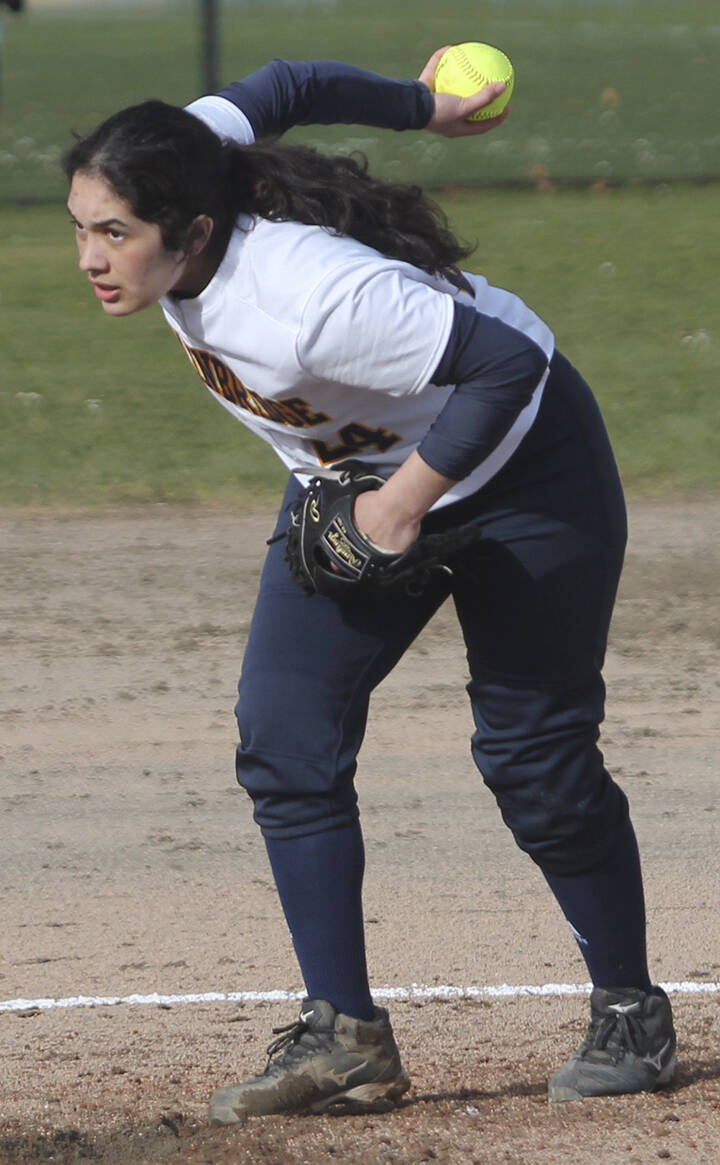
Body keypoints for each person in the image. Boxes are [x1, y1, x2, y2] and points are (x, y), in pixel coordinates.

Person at [63, 51, 676, 1122]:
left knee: (532, 753)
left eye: (115, 232)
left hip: (531, 469)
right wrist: (425, 109)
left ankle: (630, 1008)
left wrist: (398, 508)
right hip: (362, 480)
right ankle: (345, 1039)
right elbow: (288, 85)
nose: (90, 256)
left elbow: (504, 369)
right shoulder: (194, 161)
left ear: (193, 232)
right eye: (80, 225)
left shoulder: (311, 301)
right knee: (285, 732)